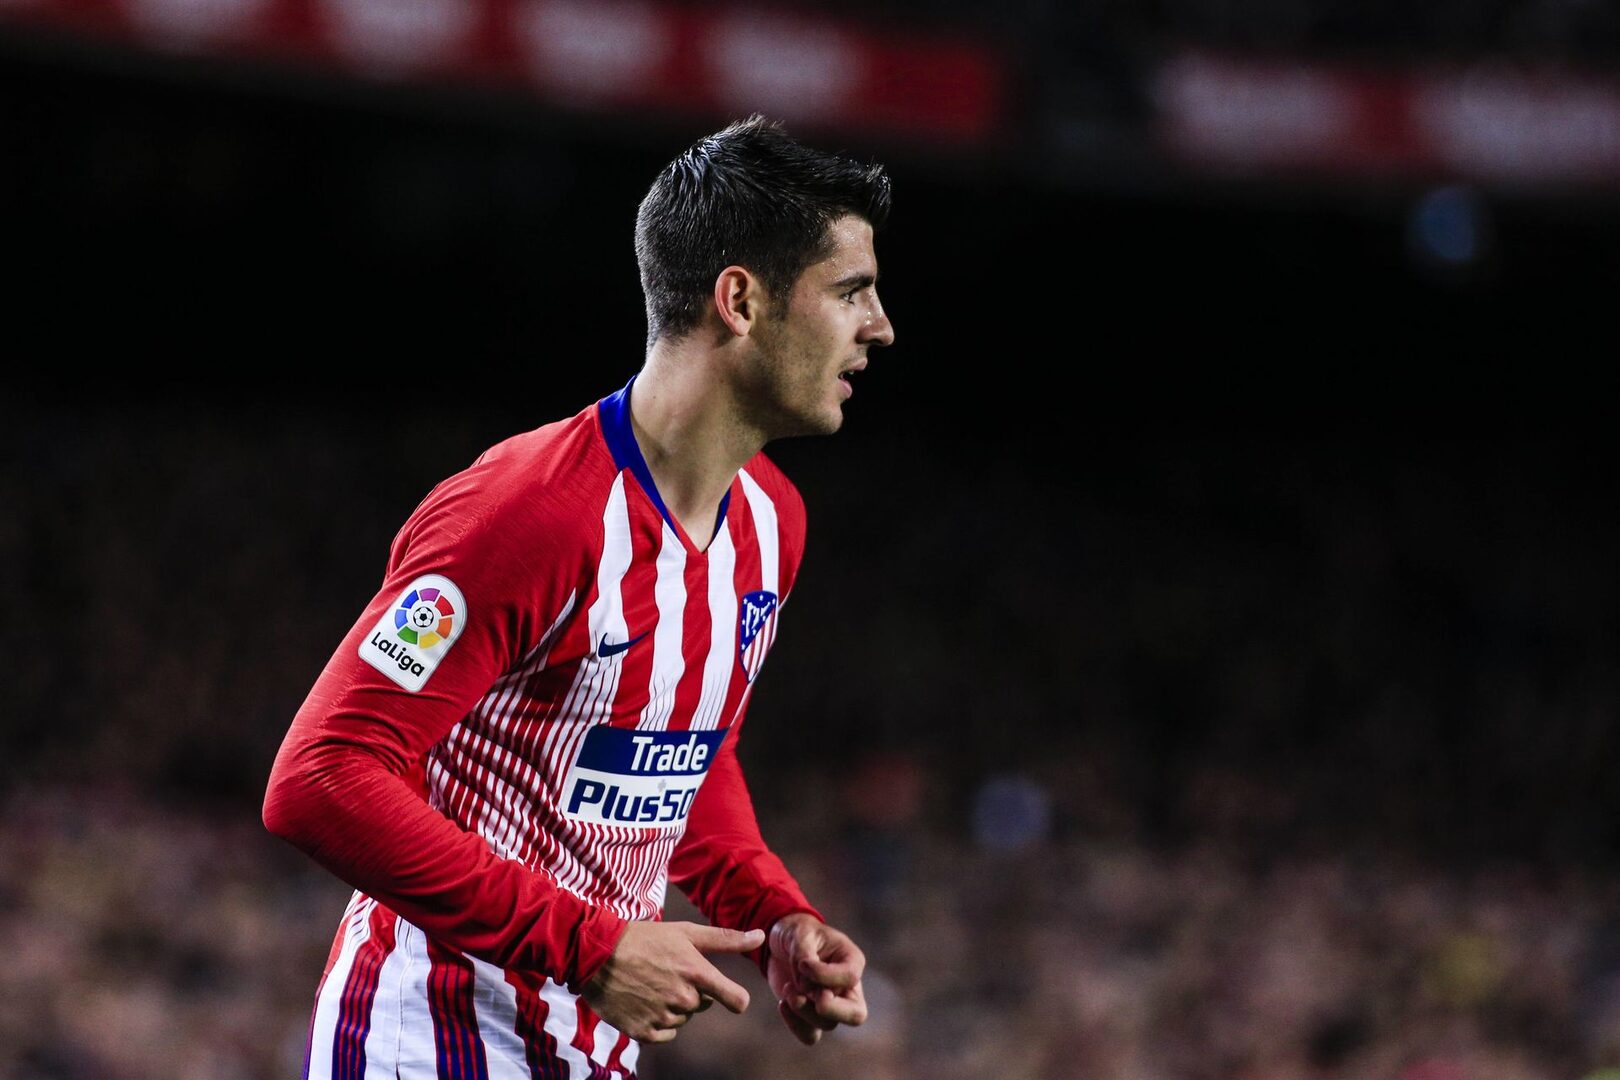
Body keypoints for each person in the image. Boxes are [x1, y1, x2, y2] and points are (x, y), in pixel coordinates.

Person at [262, 114, 895, 1078]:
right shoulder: (527, 512)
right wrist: (589, 948)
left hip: (588, 1049)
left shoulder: (773, 524)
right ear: (741, 300)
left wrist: (771, 914)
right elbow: (321, 776)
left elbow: (680, 754)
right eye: (851, 291)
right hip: (431, 1034)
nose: (879, 325)